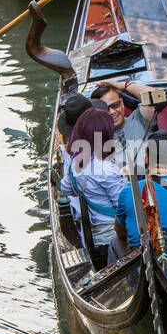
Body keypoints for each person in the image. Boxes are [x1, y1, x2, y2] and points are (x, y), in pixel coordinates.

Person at [62, 108, 125, 260]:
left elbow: (65, 188)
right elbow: (123, 205)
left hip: (95, 236)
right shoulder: (105, 169)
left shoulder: (76, 163)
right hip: (115, 236)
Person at [89, 81, 160, 175]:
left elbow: (156, 95)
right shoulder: (95, 139)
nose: (112, 112)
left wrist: (123, 85)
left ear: (122, 103)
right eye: (105, 109)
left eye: (115, 105)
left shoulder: (139, 117)